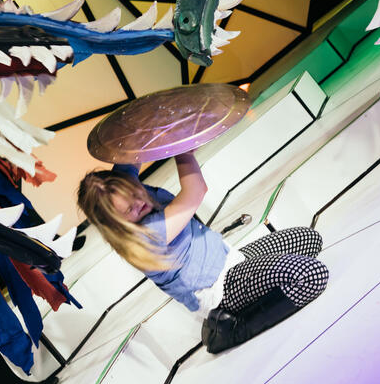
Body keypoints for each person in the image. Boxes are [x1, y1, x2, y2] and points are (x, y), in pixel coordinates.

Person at [77, 151, 329, 353]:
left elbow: (130, 151)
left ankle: (260, 285)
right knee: (310, 275)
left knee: (309, 239)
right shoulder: (143, 238)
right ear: (117, 224)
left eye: (135, 191)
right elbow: (195, 191)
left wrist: (159, 124)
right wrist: (180, 146)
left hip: (233, 259)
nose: (139, 202)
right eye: (130, 209)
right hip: (222, 289)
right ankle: (232, 328)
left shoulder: (127, 193)